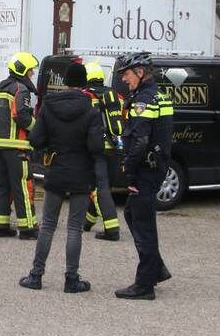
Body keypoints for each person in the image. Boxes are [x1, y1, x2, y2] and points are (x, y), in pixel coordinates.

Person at [19, 63, 103, 293]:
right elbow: (96, 146)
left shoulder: (49, 106)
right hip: (81, 172)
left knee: (47, 225)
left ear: (65, 82)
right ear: (84, 83)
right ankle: (71, 279)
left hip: (55, 169)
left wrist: (51, 145)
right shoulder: (91, 110)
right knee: (75, 228)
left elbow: (36, 139)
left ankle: (35, 276)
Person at [114, 52, 173, 300]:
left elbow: (140, 140)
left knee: (143, 222)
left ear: (140, 72)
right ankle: (155, 268)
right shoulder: (158, 95)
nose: (124, 80)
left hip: (146, 170)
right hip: (155, 167)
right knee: (132, 214)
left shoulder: (144, 100)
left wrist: (129, 170)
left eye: (126, 75)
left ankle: (145, 285)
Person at [0, 51, 40, 239]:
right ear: (23, 70)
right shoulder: (20, 89)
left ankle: (0, 226)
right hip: (17, 148)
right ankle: (28, 228)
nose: (32, 74)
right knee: (23, 186)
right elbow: (21, 116)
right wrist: (37, 129)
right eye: (31, 71)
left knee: (1, 186)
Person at [82, 60, 125, 241]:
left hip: (95, 149)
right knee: (103, 187)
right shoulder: (117, 96)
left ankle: (111, 228)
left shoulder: (84, 97)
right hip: (115, 149)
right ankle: (88, 222)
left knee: (99, 188)